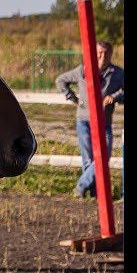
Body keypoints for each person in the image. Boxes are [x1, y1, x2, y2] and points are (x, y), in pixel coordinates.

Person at [55, 41, 125, 198]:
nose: (102, 56)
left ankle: (81, 186)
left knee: (104, 157)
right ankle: (94, 193)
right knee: (88, 160)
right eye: (99, 52)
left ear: (111, 54)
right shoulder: (83, 70)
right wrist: (73, 98)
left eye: (106, 53)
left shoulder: (118, 73)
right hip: (84, 121)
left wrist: (115, 97)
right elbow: (60, 80)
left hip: (104, 122)